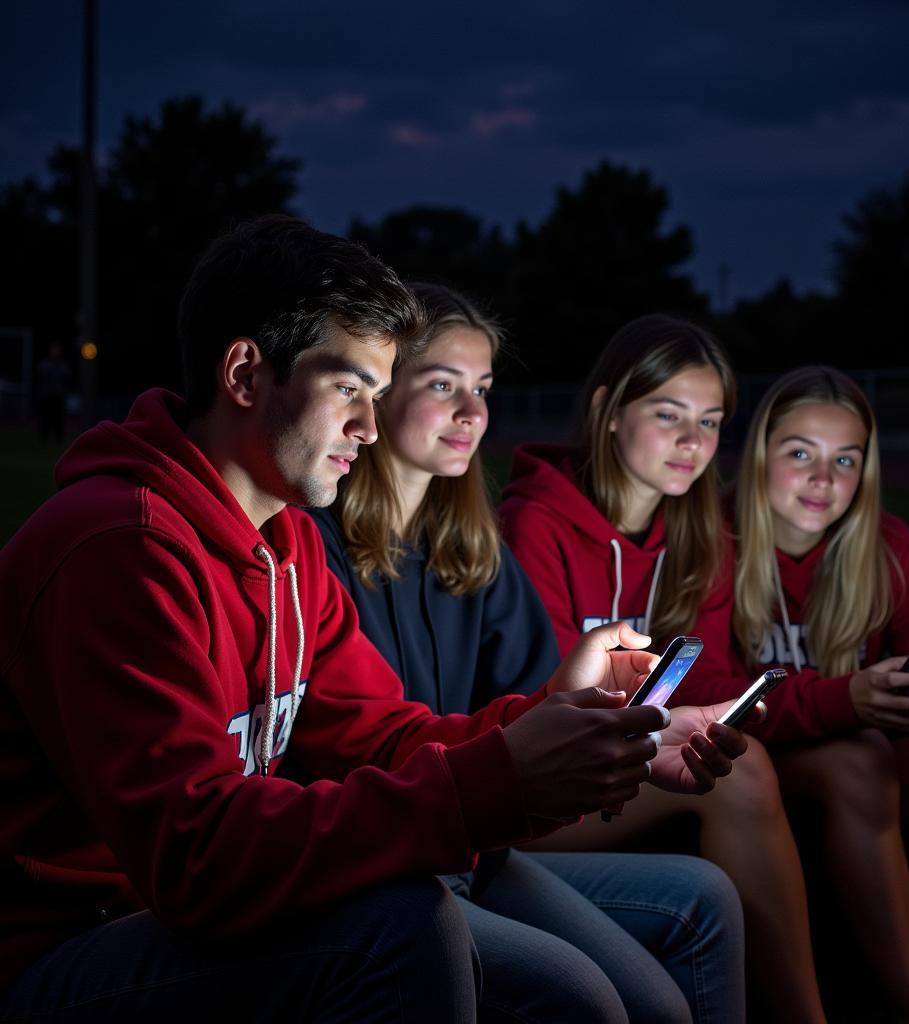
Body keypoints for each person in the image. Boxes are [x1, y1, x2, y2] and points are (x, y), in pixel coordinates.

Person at [0, 216, 751, 1024]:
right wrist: (498, 779)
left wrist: (574, 728)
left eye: (379, 395)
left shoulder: (283, 541)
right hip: (73, 944)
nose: (368, 426)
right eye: (349, 389)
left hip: (201, 911)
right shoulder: (122, 547)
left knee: (594, 980)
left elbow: (382, 735)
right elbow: (193, 857)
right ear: (247, 374)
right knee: (406, 931)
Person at [309, 283, 746, 1022]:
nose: (473, 413)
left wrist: (610, 723)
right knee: (598, 1000)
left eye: (481, 388)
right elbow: (355, 750)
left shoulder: (474, 550)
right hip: (386, 857)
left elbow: (528, 720)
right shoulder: (315, 542)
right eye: (443, 385)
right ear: (378, 394)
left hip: (476, 846)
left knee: (700, 912)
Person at [502, 315, 828, 1022]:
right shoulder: (534, 525)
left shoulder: (693, 529)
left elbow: (708, 681)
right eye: (669, 414)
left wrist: (828, 701)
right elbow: (538, 700)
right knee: (745, 776)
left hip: (628, 765)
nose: (693, 442)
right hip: (540, 781)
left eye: (710, 422)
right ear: (608, 412)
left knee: (749, 755)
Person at [722, 364, 909, 1021]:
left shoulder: (886, 547)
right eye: (799, 453)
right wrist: (843, 700)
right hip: (746, 789)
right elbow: (709, 695)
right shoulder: (712, 536)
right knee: (856, 754)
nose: (822, 480)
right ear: (759, 454)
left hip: (873, 794)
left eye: (845, 460)